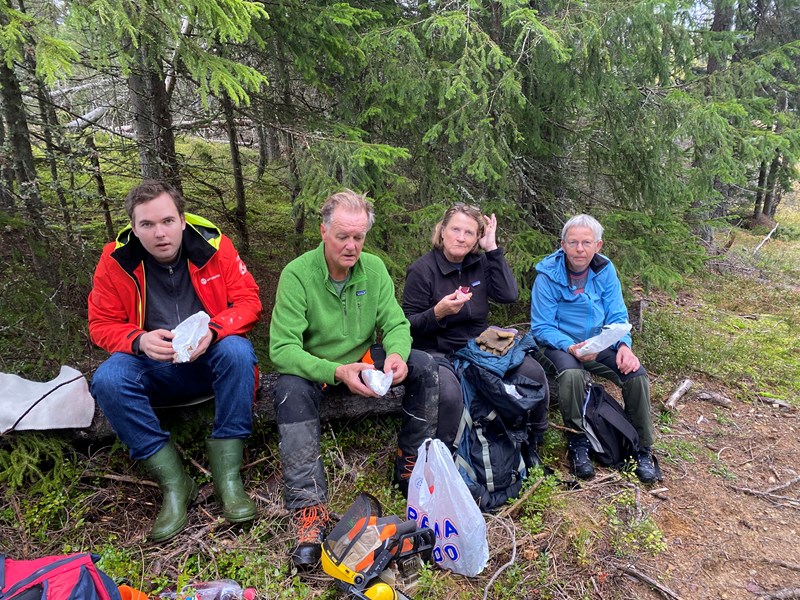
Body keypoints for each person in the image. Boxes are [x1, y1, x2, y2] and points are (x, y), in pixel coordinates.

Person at [269, 189, 438, 569]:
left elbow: (395, 322)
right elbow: (282, 349)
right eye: (343, 236)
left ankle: (409, 464)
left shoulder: (373, 269)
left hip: (361, 358)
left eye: (358, 237)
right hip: (317, 367)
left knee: (425, 365)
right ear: (323, 232)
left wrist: (395, 352)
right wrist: (336, 371)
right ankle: (308, 510)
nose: (351, 246)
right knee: (288, 390)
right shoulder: (298, 274)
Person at [88, 180, 262, 542]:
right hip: (154, 365)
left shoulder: (215, 247)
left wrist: (214, 331)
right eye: (147, 225)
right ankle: (174, 483)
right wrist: (138, 340)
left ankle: (228, 478)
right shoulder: (115, 261)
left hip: (206, 359)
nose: (159, 233)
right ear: (133, 228)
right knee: (107, 379)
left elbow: (248, 301)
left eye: (167, 221)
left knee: (238, 351)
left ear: (183, 220)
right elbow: (101, 324)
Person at [402, 203, 549, 465]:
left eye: (469, 233)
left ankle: (532, 441)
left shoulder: (479, 263)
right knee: (448, 393)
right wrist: (439, 312)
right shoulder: (423, 270)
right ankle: (445, 459)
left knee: (533, 372)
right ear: (442, 231)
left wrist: (492, 249)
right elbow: (408, 324)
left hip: (480, 347)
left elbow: (508, 295)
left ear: (476, 240)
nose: (461, 237)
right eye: (455, 229)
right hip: (438, 349)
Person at [530, 214, 658, 483]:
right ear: (562, 244)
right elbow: (541, 327)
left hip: (598, 343)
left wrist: (624, 345)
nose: (580, 249)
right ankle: (578, 443)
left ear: (598, 246)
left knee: (635, 375)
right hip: (557, 344)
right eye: (573, 242)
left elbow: (617, 315)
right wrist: (570, 346)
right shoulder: (547, 275)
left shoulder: (604, 270)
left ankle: (643, 449)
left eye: (586, 242)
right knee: (572, 374)